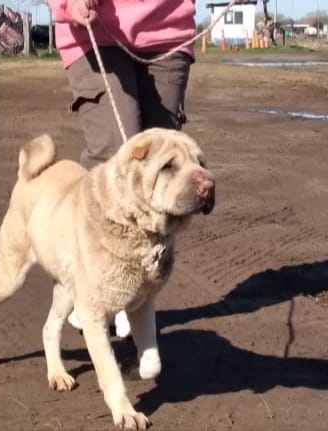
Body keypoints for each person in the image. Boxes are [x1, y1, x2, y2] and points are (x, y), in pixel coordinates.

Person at [47, 0, 197, 337]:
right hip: (95, 27)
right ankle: (84, 278)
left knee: (164, 174)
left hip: (168, 29)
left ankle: (138, 296)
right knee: (118, 154)